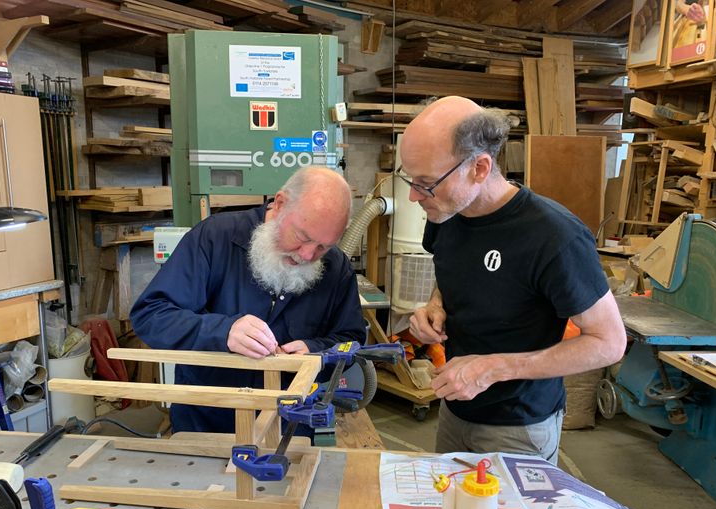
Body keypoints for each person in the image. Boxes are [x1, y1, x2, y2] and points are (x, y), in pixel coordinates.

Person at [400, 97, 626, 464]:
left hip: (519, 425)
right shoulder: (446, 210)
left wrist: (493, 368)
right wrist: (435, 306)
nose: (413, 195)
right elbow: (452, 267)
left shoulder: (554, 236)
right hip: (456, 409)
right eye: (410, 180)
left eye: (425, 183)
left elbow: (609, 343)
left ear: (479, 167)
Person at [130, 166, 366, 433]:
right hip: (207, 419)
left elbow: (352, 339)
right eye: (302, 237)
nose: (308, 255)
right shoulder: (216, 238)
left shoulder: (336, 268)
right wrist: (223, 331)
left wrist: (315, 350)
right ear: (280, 204)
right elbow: (151, 315)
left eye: (324, 246)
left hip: (290, 424)